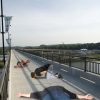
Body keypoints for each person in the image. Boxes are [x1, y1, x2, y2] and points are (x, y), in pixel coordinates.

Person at [17, 86, 94, 100]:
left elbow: (31, 95)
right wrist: (85, 97)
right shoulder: (43, 95)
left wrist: (22, 94)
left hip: (59, 90)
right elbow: (75, 96)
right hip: (56, 90)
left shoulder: (42, 95)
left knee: (72, 96)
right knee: (72, 96)